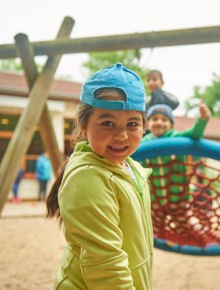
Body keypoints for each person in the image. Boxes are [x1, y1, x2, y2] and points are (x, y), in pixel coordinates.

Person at [45, 63, 153, 290]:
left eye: (132, 123)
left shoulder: (130, 168)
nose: (121, 135)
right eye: (107, 123)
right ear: (84, 125)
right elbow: (105, 262)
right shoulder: (88, 177)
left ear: (144, 125)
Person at [142, 101, 211, 237]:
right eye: (155, 119)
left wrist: (202, 119)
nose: (159, 122)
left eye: (164, 119)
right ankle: (161, 238)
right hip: (155, 197)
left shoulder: (175, 137)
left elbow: (194, 134)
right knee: (154, 225)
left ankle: (189, 237)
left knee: (182, 222)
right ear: (148, 124)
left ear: (171, 125)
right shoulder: (144, 142)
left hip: (177, 195)